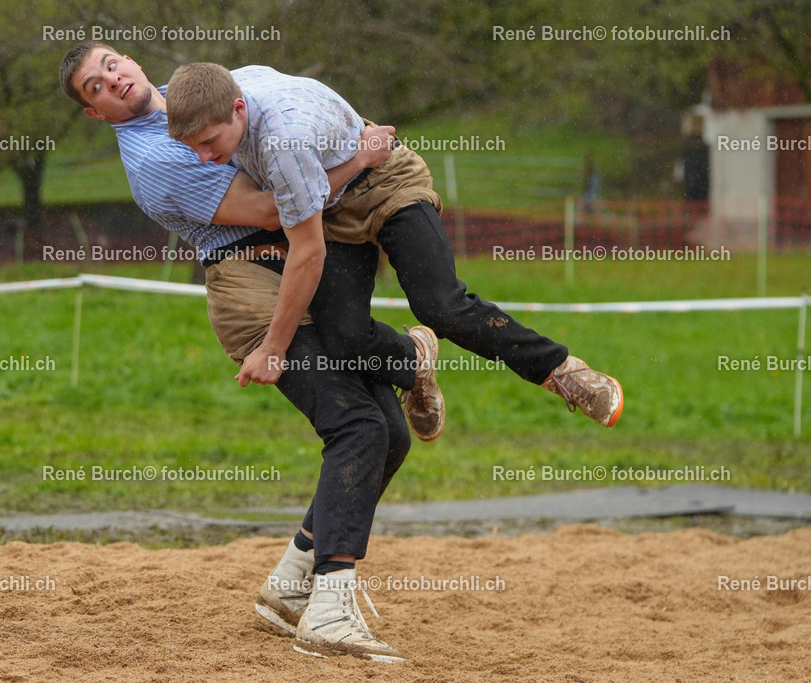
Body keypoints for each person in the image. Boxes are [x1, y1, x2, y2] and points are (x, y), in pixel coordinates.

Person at [61, 41, 422, 662]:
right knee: (358, 428)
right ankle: (329, 613)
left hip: (287, 278)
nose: (111, 80)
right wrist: (357, 159)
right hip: (249, 289)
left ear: (131, 62)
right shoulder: (157, 157)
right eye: (94, 86)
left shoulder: (192, 100)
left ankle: (290, 585)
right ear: (94, 112)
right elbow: (272, 210)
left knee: (389, 434)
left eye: (111, 64)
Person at [165, 63, 624, 435]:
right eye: (192, 147)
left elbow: (307, 252)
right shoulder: (219, 90)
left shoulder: (284, 141)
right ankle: (415, 363)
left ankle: (562, 371)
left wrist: (273, 348)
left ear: (238, 107)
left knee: (440, 306)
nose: (203, 157)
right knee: (344, 339)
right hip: (335, 206)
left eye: (209, 143)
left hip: (387, 182)